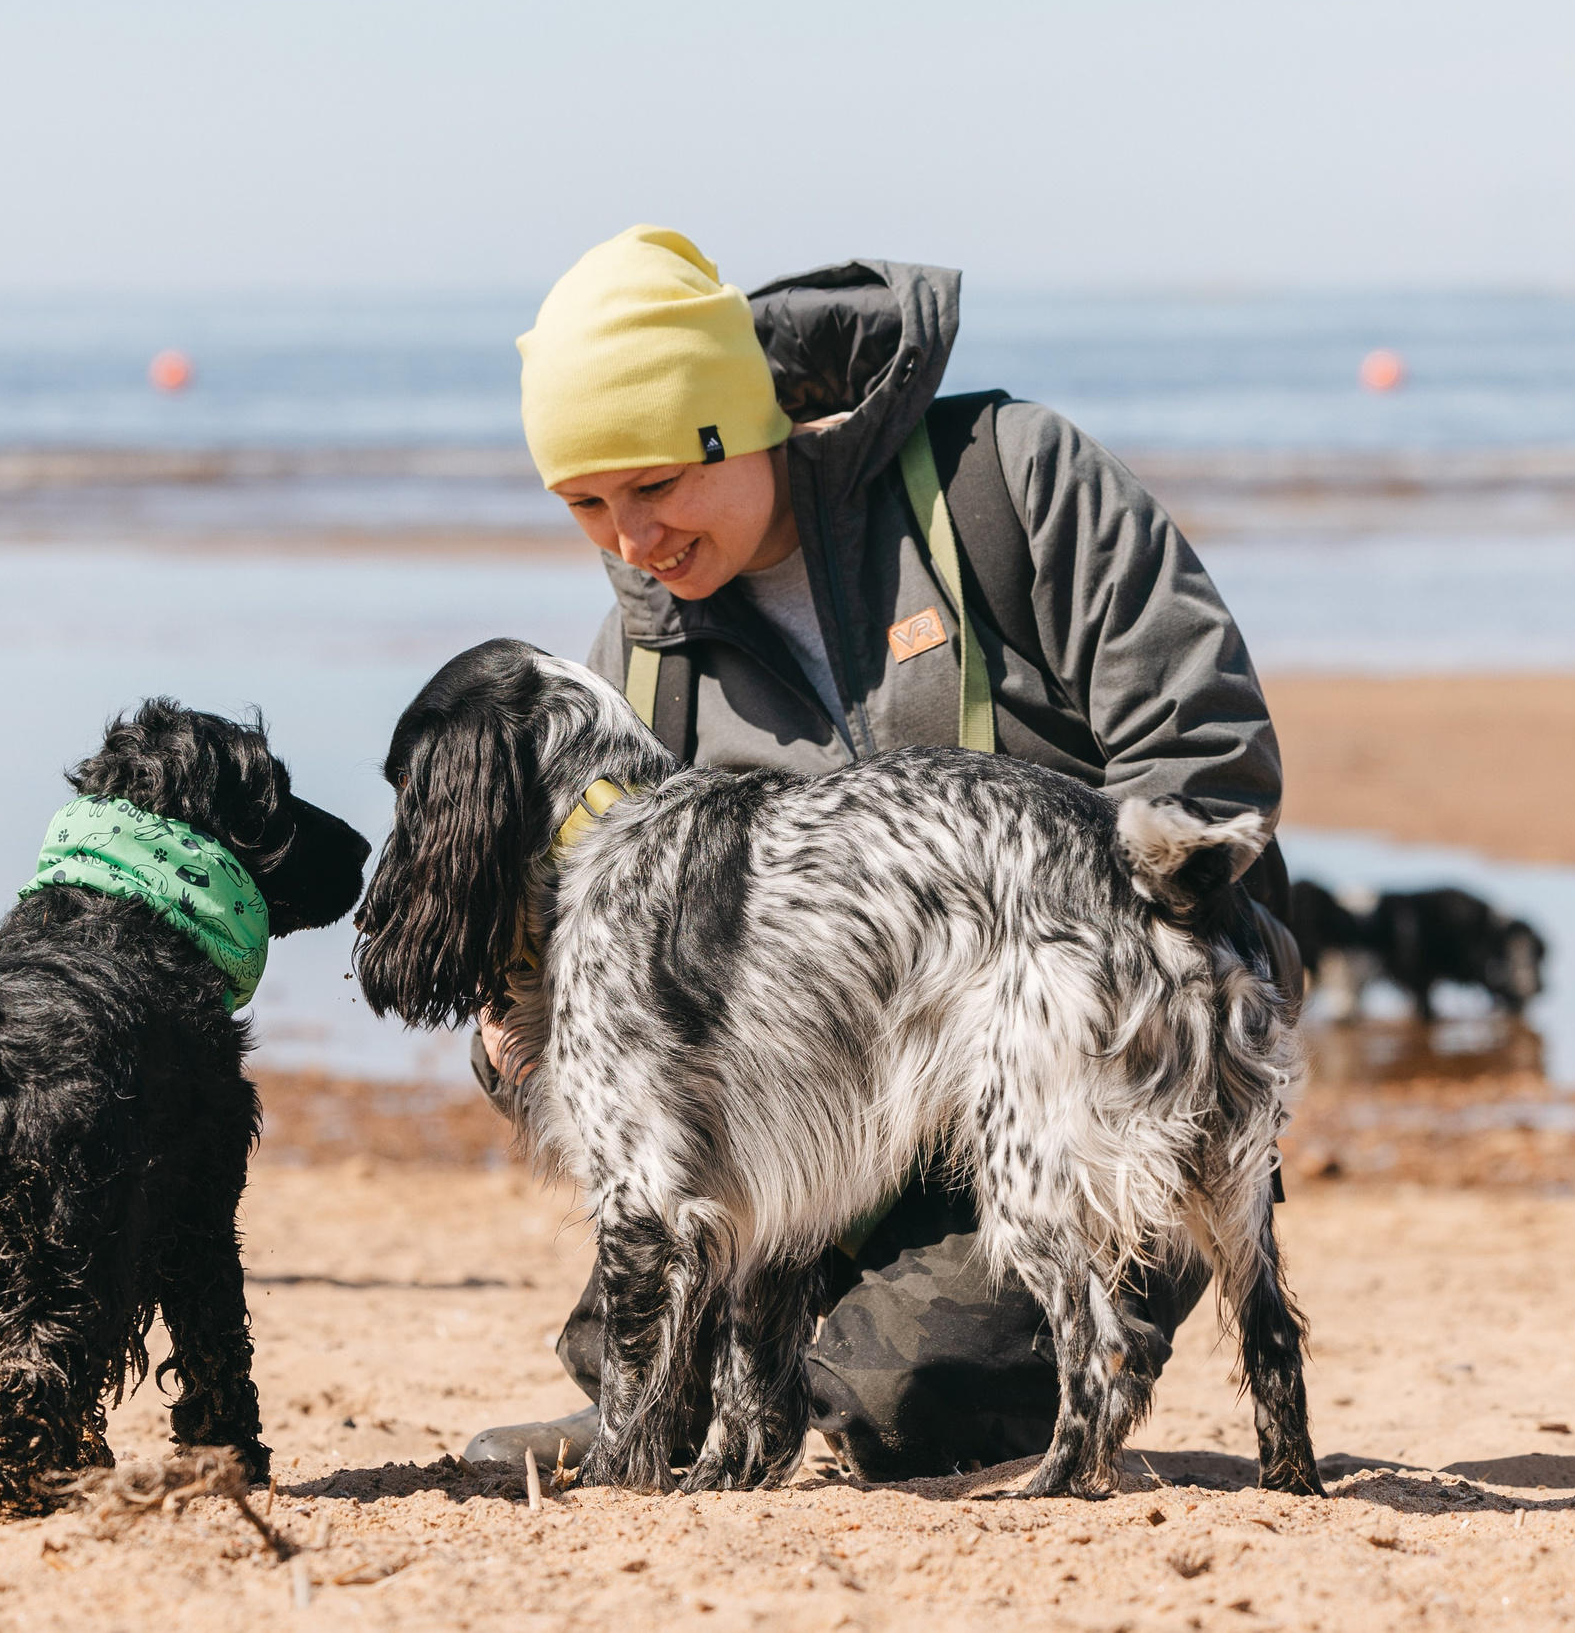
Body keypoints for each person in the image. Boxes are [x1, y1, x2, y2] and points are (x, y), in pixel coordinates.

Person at [462, 226, 1297, 1480]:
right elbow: (621, 961)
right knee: (675, 1285)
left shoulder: (1006, 479)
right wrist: (519, 1014)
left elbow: (1208, 754)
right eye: (584, 505)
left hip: (1082, 1055)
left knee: (910, 1399)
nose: (631, 541)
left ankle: (924, 1365)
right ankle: (654, 1403)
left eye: (655, 487)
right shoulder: (642, 660)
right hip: (843, 1107)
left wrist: (1071, 966)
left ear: (738, 427)